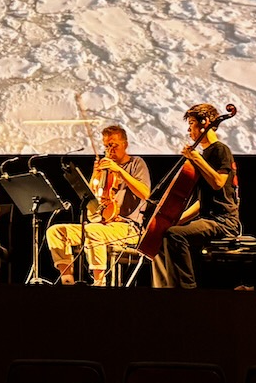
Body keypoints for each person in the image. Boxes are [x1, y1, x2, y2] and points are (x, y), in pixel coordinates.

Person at [48, 124, 151, 286]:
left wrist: (119, 171)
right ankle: (67, 281)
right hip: (103, 224)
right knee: (55, 231)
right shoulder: (105, 169)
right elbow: (92, 203)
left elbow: (145, 193)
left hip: (128, 228)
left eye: (114, 145)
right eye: (106, 146)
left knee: (93, 231)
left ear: (125, 144)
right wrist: (96, 176)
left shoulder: (136, 163)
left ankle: (99, 283)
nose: (109, 150)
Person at [151, 102, 240, 289]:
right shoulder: (206, 154)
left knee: (174, 235)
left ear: (205, 122)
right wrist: (175, 220)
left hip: (223, 221)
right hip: (209, 219)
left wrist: (196, 158)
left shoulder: (220, 150)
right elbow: (202, 202)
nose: (189, 130)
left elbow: (218, 182)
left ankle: (186, 291)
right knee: (162, 234)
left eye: (191, 123)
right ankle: (164, 289)